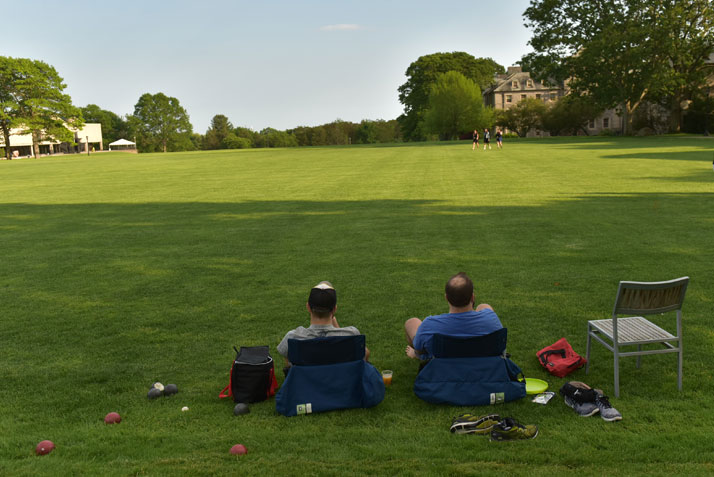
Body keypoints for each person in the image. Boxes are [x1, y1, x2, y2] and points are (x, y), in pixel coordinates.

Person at [404, 272, 502, 360]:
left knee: (412, 322)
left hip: (444, 367)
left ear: (446, 298)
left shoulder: (430, 325)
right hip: (483, 364)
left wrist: (417, 352)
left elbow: (420, 347)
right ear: (472, 297)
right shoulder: (491, 319)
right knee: (483, 306)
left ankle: (416, 355)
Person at [277, 281, 370, 370]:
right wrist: (337, 328)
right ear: (334, 309)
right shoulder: (351, 334)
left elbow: (290, 366)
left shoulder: (293, 337)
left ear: (308, 307)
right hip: (342, 385)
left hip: (307, 385)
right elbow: (365, 357)